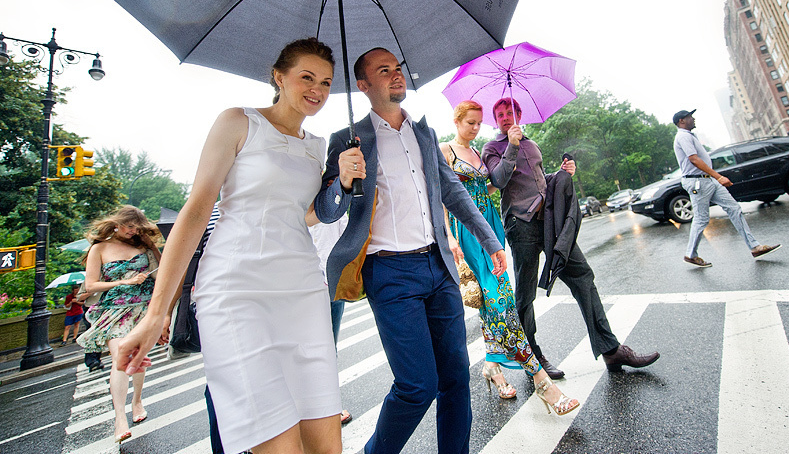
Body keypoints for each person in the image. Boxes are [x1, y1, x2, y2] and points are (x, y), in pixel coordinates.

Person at [115, 38, 348, 454]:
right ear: (279, 76)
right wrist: (156, 314)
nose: (317, 90)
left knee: (326, 446)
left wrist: (343, 183)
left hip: (303, 290)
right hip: (237, 290)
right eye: (307, 77)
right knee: (278, 445)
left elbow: (305, 214)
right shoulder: (238, 121)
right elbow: (197, 209)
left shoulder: (318, 145)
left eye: (327, 82)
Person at [314, 48, 506, 454]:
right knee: (417, 385)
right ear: (363, 85)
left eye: (397, 69)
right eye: (383, 71)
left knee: (456, 378)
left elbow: (451, 191)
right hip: (390, 275)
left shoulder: (424, 133)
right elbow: (327, 211)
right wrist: (343, 181)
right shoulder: (348, 140)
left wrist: (489, 240)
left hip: (438, 266)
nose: (395, 76)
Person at [483, 98, 660, 377]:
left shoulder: (532, 144)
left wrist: (561, 175)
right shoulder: (492, 148)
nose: (505, 117)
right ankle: (532, 357)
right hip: (521, 225)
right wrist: (511, 146)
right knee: (525, 293)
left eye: (510, 113)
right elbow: (500, 179)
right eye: (500, 114)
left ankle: (610, 350)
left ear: (519, 115)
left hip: (549, 222)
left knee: (582, 276)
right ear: (496, 120)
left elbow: (540, 181)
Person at [440, 100, 579, 415]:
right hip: (466, 231)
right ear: (457, 120)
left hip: (491, 227)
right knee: (500, 301)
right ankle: (542, 381)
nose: (475, 128)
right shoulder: (445, 151)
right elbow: (441, 198)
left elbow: (497, 183)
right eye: (469, 122)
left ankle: (493, 368)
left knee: (492, 301)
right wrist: (449, 236)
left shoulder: (479, 154)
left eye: (478, 123)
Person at [77, 205, 163, 444]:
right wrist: (125, 282)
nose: (132, 230)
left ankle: (137, 400)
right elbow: (92, 285)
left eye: (137, 227)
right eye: (128, 225)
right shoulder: (99, 248)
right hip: (114, 312)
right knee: (120, 359)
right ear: (117, 223)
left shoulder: (143, 248)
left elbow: (163, 273)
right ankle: (119, 418)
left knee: (137, 357)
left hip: (143, 309)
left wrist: (152, 246)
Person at [672, 109, 782, 267]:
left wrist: (714, 178)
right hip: (698, 182)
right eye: (690, 117)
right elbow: (694, 160)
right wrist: (719, 176)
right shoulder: (682, 136)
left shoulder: (689, 135)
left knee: (734, 208)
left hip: (707, 180)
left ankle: (755, 247)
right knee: (701, 219)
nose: (693, 118)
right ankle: (690, 254)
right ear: (682, 121)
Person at [308, 213, 352, 425]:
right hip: (302, 287)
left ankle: (331, 407)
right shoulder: (294, 202)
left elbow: (347, 235)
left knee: (328, 347)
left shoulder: (334, 205)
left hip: (332, 283)